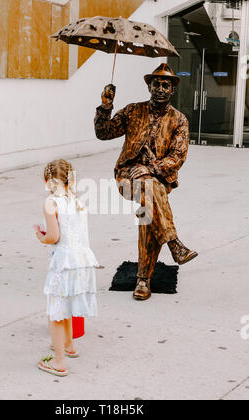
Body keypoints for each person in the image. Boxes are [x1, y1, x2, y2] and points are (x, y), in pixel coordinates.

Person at [94, 63, 198, 302]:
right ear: (149, 86)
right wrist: (106, 106)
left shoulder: (179, 120)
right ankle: (173, 243)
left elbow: (177, 156)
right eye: (156, 84)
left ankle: (144, 280)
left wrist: (151, 168)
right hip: (127, 175)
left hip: (159, 178)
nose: (160, 88)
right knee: (147, 190)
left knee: (148, 214)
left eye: (165, 85)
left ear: (172, 89)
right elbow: (104, 132)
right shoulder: (132, 111)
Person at [36, 159, 99, 376]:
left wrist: (41, 238)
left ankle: (59, 361)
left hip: (63, 263)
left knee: (55, 311)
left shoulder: (51, 203)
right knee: (67, 306)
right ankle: (69, 345)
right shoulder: (76, 201)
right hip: (81, 262)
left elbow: (54, 236)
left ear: (47, 180)